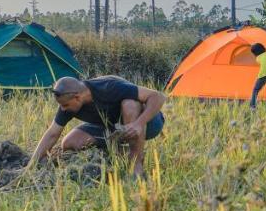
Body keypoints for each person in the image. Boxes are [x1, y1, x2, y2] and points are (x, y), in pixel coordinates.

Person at [27, 75, 166, 178]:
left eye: (65, 105)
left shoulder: (109, 87)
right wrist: (32, 164)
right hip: (113, 127)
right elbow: (52, 133)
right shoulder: (67, 105)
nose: (62, 109)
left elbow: (158, 96)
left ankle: (136, 164)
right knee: (69, 142)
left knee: (130, 103)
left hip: (148, 122)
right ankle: (124, 152)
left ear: (77, 97)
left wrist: (139, 123)